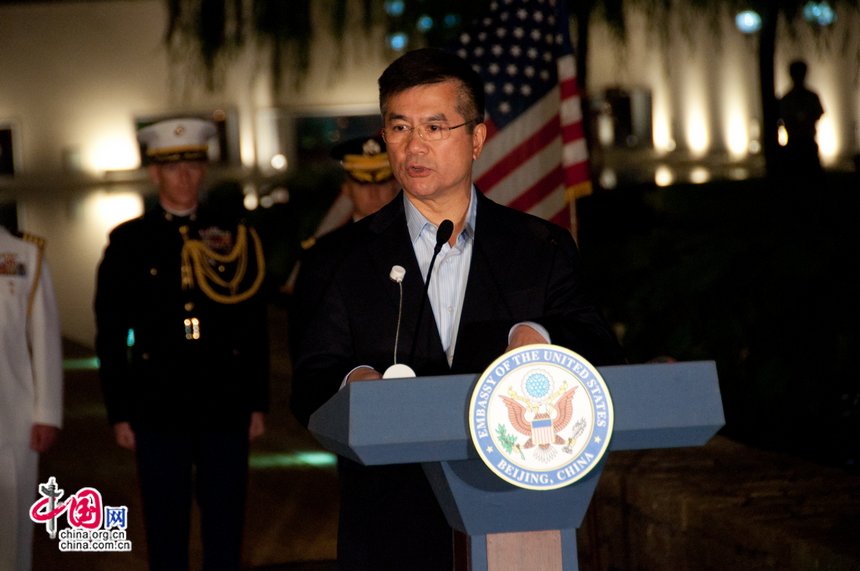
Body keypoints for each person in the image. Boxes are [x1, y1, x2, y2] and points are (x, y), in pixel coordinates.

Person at [290, 48, 625, 570]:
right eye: (399, 128)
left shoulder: (541, 248)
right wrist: (355, 386)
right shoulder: (336, 262)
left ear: (476, 138)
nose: (414, 146)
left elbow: (600, 347)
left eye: (434, 127)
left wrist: (538, 337)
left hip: (517, 509)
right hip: (389, 523)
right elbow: (310, 380)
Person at [94, 117, 269, 570]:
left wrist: (256, 401)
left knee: (226, 525)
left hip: (224, 401)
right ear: (155, 174)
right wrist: (120, 411)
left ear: (203, 168)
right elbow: (111, 334)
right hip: (158, 405)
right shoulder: (129, 242)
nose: (185, 175)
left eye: (193, 164)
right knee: (165, 526)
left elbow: (251, 324)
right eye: (173, 168)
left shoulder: (235, 235)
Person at [288, 134, 399, 348]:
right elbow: (306, 339)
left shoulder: (422, 242)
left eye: (383, 181)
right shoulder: (322, 255)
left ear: (395, 184)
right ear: (346, 189)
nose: (374, 193)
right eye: (362, 182)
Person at [0, 226, 63, 571]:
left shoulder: (23, 254)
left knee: (11, 540)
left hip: (11, 416)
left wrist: (47, 412)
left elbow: (44, 335)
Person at [778, 59, 825, 181]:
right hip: (801, 142)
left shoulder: (788, 98)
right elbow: (819, 113)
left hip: (800, 142)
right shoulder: (809, 97)